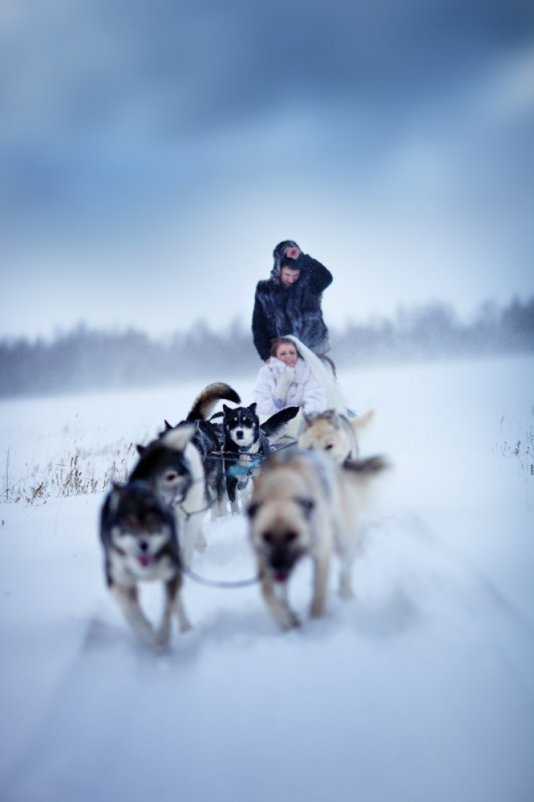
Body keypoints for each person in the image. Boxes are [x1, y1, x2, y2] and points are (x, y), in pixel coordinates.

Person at [251, 240, 333, 362]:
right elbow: (259, 327)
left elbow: (326, 277)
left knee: (319, 381)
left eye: (295, 275)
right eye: (287, 275)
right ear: (278, 270)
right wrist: (266, 356)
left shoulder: (310, 284)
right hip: (283, 356)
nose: (291, 279)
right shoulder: (264, 291)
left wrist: (301, 258)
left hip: (315, 352)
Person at [253, 337, 328, 419]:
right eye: (283, 353)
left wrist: (300, 419)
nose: (288, 356)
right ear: (276, 356)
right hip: (275, 423)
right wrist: (280, 392)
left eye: (292, 353)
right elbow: (261, 406)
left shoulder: (308, 371)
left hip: (305, 422)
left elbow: (316, 400)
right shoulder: (266, 373)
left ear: (297, 354)